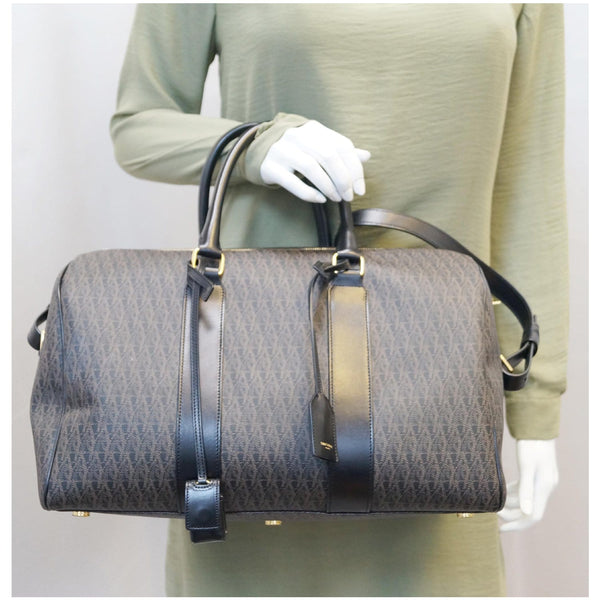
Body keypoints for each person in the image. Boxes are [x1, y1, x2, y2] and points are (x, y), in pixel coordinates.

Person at [110, 4, 567, 596]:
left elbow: (528, 183)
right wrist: (258, 145)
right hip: (255, 384)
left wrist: (536, 403)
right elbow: (137, 127)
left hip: (440, 387)